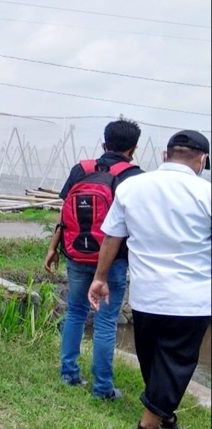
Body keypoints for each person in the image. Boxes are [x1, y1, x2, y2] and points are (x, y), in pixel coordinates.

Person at [88, 130, 211, 429]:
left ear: (165, 155)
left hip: (145, 298)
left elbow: (111, 237)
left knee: (156, 368)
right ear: (202, 160)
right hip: (191, 302)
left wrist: (100, 278)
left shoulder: (132, 187)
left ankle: (164, 420)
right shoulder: (206, 194)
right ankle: (149, 425)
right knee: (172, 368)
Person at [43, 118, 143, 399]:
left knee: (74, 311)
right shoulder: (132, 175)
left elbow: (64, 213)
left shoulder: (81, 169)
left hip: (76, 253)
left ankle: (69, 374)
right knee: (106, 320)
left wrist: (53, 248)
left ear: (104, 143)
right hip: (112, 260)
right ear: (133, 149)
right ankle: (102, 388)